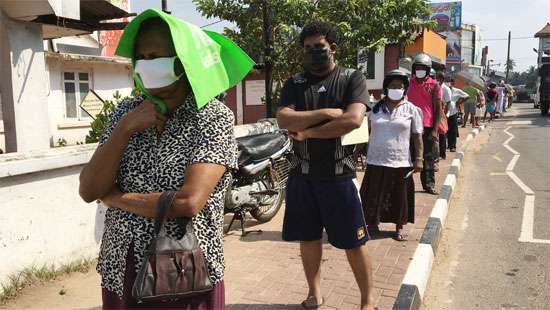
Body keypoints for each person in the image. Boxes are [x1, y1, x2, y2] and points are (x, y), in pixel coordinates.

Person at [78, 10, 251, 309]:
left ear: (184, 60)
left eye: (157, 55)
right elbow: (89, 190)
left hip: (186, 269)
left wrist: (118, 199)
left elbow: (188, 202)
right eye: (142, 56)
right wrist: (126, 127)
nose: (148, 63)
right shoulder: (125, 113)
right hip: (122, 266)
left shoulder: (212, 117)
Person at [276, 22, 375, 310]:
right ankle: (314, 294)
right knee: (308, 239)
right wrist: (326, 113)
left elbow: (353, 120)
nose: (312, 52)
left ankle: (367, 301)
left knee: (354, 242)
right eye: (306, 48)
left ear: (332, 48)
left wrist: (307, 131)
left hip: (338, 176)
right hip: (302, 176)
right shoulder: (295, 84)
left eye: (318, 46)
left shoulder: (350, 79)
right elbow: (283, 119)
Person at [359, 70, 423, 241]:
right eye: (393, 86)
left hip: (400, 160)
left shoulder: (412, 110)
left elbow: (417, 136)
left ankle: (399, 227)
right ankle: (372, 225)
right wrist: (356, 152)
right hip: (376, 159)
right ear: (386, 88)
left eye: (400, 86)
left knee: (399, 196)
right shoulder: (375, 109)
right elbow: (365, 132)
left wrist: (419, 159)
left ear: (405, 89)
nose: (396, 89)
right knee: (374, 194)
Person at [407, 53, 441, 195]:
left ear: (427, 70)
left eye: (423, 68)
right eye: (417, 67)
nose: (420, 70)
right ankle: (403, 185)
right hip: (408, 124)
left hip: (426, 125)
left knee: (427, 157)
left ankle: (429, 185)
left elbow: (438, 108)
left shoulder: (434, 85)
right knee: (406, 154)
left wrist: (435, 129)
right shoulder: (408, 83)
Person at [448, 79, 469, 152]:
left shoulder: (457, 91)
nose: (449, 83)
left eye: (451, 82)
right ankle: (447, 145)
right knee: (444, 130)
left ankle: (452, 146)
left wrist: (460, 102)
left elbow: (467, 96)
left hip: (453, 112)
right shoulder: (442, 89)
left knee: (453, 130)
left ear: (453, 83)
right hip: (443, 113)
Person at [436, 72, 451, 160]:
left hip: (442, 113)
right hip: (436, 112)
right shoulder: (435, 86)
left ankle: (442, 154)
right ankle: (436, 153)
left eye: (438, 78)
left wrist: (445, 114)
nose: (436, 79)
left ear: (442, 79)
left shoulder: (446, 89)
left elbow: (448, 102)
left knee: (442, 134)